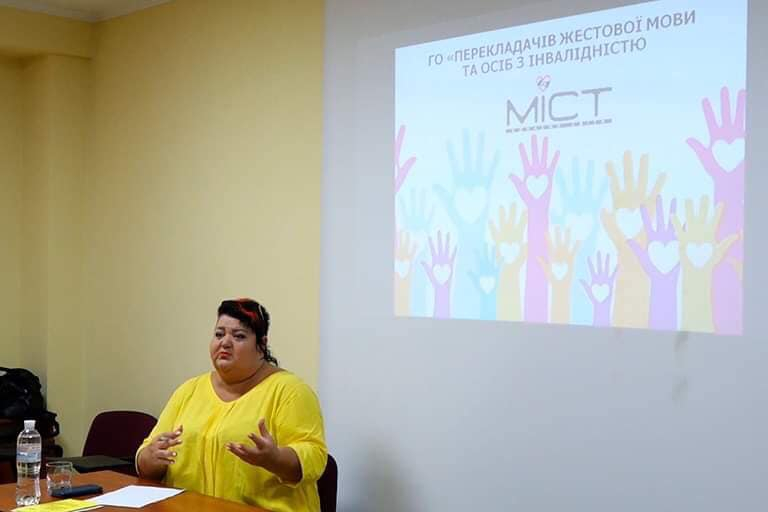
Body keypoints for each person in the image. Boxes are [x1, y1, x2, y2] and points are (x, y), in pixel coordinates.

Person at [136, 298, 327, 512]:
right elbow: (146, 457)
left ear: (261, 345)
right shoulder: (189, 390)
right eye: (219, 334)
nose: (225, 343)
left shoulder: (290, 391)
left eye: (239, 336)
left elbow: (315, 458)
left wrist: (275, 459)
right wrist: (150, 458)